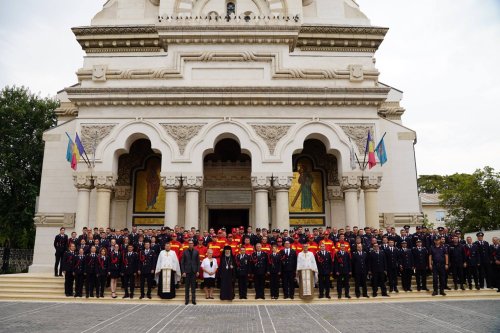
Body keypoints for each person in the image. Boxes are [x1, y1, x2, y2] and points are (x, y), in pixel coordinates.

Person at [181, 239, 199, 305]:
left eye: (192, 243)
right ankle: (187, 300)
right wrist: (183, 272)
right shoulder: (185, 252)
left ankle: (193, 300)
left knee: (193, 287)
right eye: (189, 243)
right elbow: (182, 262)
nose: (191, 244)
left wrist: (197, 271)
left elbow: (198, 262)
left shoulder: (196, 252)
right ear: (188, 244)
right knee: (187, 287)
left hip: (194, 271)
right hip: (187, 272)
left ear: (193, 244)